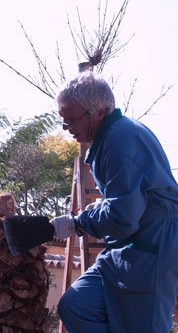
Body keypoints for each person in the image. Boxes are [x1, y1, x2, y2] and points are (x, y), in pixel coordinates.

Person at [50, 71, 178, 332]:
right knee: (77, 306)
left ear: (98, 112)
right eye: (64, 121)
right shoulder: (111, 138)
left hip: (153, 246)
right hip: (125, 246)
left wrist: (79, 223)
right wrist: (98, 209)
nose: (68, 128)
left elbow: (122, 217)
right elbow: (129, 199)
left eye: (72, 119)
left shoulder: (120, 140)